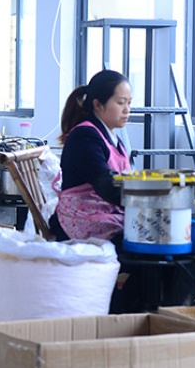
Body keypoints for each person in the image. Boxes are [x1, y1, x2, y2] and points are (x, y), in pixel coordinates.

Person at [48, 69, 133, 245]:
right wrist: (145, 200)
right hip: (80, 220)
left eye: (129, 103)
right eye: (120, 103)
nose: (127, 110)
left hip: (104, 213)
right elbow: (106, 184)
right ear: (98, 105)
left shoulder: (113, 139)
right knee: (141, 242)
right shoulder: (84, 137)